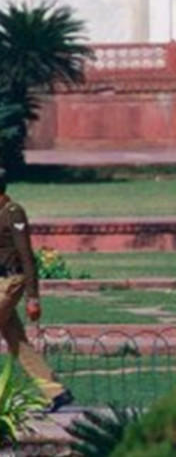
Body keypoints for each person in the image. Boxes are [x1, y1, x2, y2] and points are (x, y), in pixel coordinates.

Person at [0, 168, 72, 412]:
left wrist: (33, 297)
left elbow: (26, 255)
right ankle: (57, 392)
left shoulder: (13, 212)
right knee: (17, 341)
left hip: (14, 281)